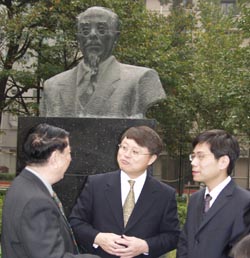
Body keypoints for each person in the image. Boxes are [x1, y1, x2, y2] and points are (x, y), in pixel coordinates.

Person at [69, 125, 180, 258]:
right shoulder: (96, 184)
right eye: (123, 147)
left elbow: (172, 236)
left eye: (135, 152)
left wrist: (145, 246)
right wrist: (98, 238)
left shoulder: (165, 194)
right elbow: (75, 222)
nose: (126, 155)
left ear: (152, 159)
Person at [39, 6, 166, 118]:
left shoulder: (141, 79)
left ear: (115, 37)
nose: (92, 35)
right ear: (78, 37)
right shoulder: (53, 86)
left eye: (101, 29)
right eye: (85, 30)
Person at [1, 123, 100, 258]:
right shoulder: (37, 201)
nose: (70, 159)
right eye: (68, 153)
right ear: (54, 158)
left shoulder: (23, 183)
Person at [177, 129, 250, 258]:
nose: (193, 162)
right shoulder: (195, 199)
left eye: (201, 156)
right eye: (193, 156)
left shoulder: (244, 203)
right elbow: (184, 243)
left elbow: (241, 252)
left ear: (223, 162)